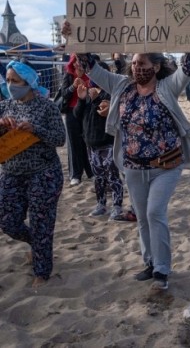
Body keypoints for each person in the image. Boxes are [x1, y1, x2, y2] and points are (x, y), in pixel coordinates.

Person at [62, 18, 190, 291]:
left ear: (155, 66)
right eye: (133, 63)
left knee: (155, 213)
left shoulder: (168, 87)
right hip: (132, 166)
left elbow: (188, 67)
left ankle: (163, 271)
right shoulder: (122, 86)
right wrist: (75, 42)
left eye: (142, 64)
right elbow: (90, 68)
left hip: (166, 166)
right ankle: (150, 263)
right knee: (141, 217)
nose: (136, 67)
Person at [0, 60, 66, 287]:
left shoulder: (46, 107)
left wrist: (35, 129)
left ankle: (42, 271)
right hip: (11, 172)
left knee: (42, 224)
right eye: (8, 80)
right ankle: (37, 244)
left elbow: (60, 138)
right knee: (7, 221)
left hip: (44, 173)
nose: (10, 85)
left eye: (15, 81)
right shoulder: (5, 106)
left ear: (28, 82)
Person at [73, 61, 124, 220]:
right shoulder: (87, 93)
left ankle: (117, 206)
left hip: (108, 142)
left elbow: (110, 114)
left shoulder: (110, 93)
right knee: (98, 177)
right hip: (91, 143)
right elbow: (76, 115)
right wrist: (82, 99)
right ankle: (101, 204)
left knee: (113, 176)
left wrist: (97, 100)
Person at [60, 54, 94, 186]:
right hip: (71, 112)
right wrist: (73, 86)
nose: (77, 64)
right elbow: (64, 94)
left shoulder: (91, 74)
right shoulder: (69, 75)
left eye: (79, 61)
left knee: (88, 142)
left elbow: (95, 92)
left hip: (86, 112)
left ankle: (90, 172)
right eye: (74, 61)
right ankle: (75, 174)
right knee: (74, 144)